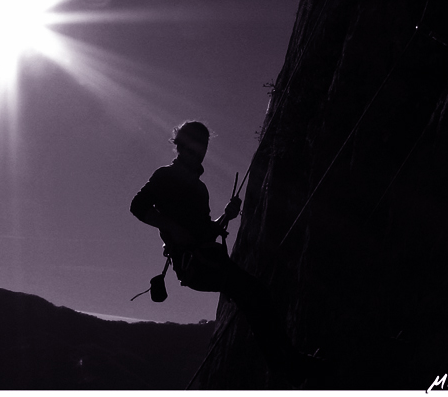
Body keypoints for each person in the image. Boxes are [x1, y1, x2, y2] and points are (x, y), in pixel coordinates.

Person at [130, 120, 319, 386]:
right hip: (194, 264)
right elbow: (137, 206)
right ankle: (287, 364)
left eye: (204, 146)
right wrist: (173, 228)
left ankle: (286, 363)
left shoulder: (199, 188)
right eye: (197, 145)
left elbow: (205, 231)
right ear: (183, 146)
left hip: (206, 259)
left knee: (256, 296)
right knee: (255, 294)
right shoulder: (165, 176)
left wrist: (225, 218)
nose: (201, 151)